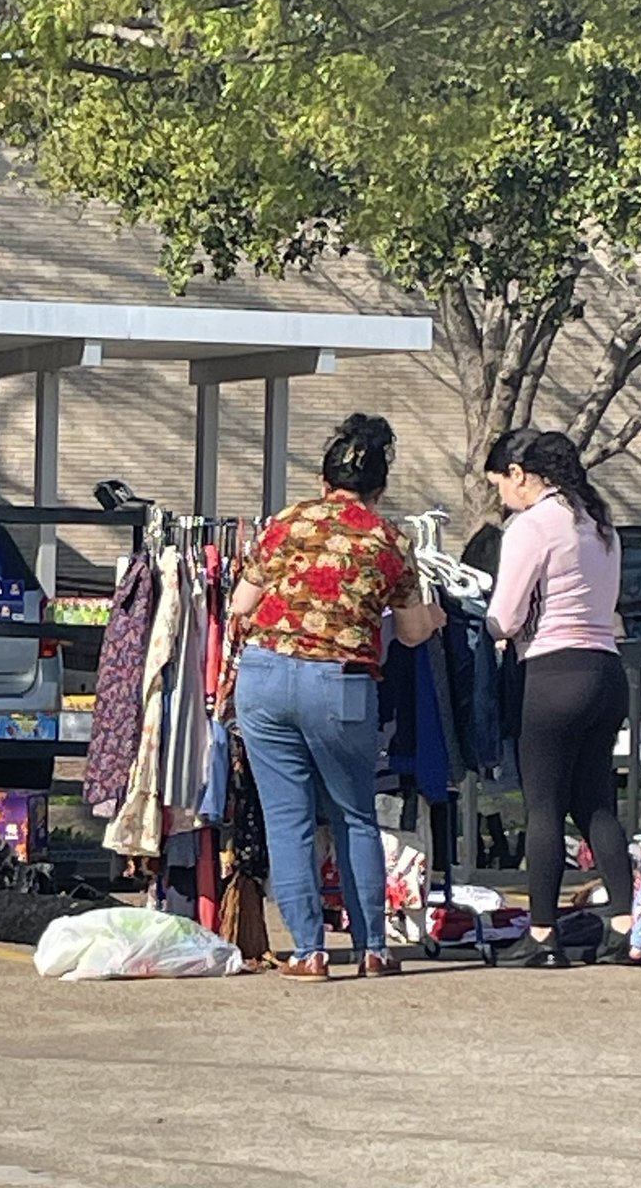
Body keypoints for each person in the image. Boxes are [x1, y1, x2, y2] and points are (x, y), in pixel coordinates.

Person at [231, 414, 444, 981]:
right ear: (379, 490)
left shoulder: (287, 523)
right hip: (342, 683)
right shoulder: (389, 539)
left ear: (325, 483)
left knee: (288, 819)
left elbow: (240, 605)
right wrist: (437, 614)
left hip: (267, 675)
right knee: (355, 815)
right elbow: (413, 631)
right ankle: (374, 947)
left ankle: (309, 952)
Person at [484, 429, 635, 968]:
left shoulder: (532, 526)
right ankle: (624, 925)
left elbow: (504, 617)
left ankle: (543, 935)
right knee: (596, 802)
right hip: (605, 671)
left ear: (521, 474)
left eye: (500, 482)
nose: (501, 494)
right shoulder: (600, 523)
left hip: (550, 673)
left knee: (543, 806)